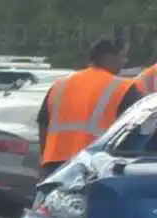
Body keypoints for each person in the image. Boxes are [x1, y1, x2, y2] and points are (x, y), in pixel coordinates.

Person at [36, 38, 139, 176]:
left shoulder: (60, 85)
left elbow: (43, 124)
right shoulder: (123, 88)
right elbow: (135, 129)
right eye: (122, 56)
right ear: (108, 57)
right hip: (95, 165)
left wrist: (43, 157)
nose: (125, 61)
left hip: (55, 163)